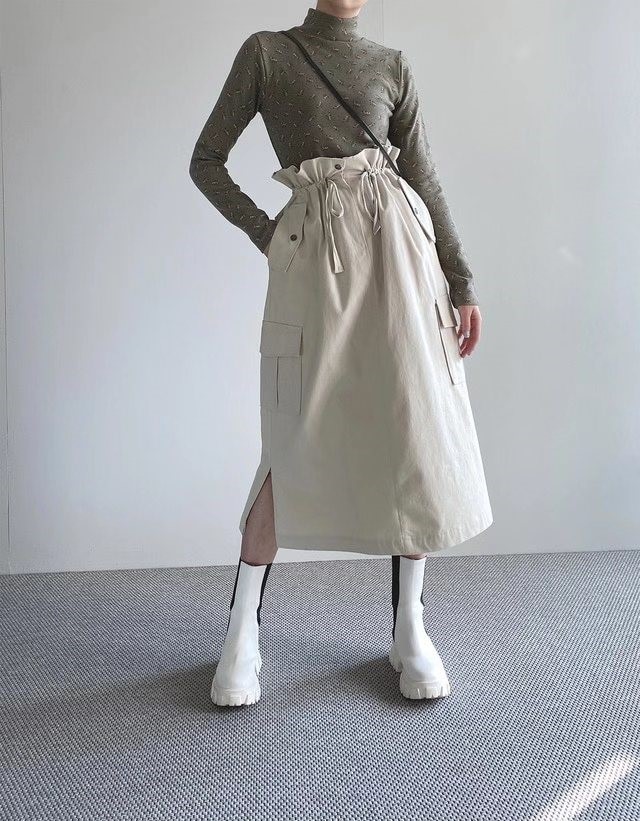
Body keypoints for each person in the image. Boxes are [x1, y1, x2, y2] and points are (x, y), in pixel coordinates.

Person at [188, 2, 493, 707]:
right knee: (291, 433)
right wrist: (269, 234)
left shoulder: (393, 67)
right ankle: (242, 632)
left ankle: (409, 626)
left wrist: (461, 280)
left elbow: (424, 177)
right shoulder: (268, 53)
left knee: (413, 427)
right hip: (313, 263)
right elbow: (206, 161)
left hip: (402, 260)